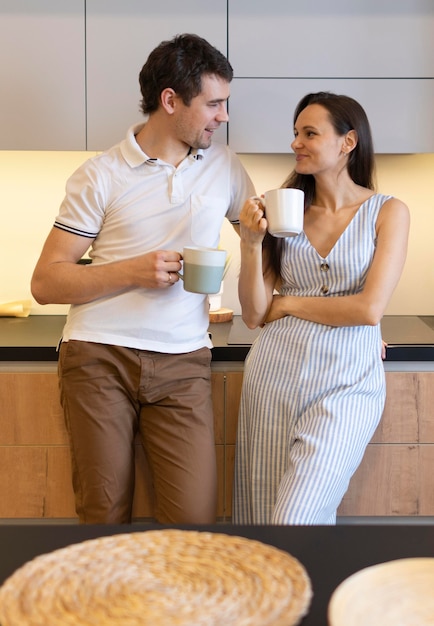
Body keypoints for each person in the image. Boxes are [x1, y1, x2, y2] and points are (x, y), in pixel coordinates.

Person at [31, 33, 255, 525]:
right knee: (104, 513)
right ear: (170, 101)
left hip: (183, 361)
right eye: (214, 103)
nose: (224, 116)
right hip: (98, 357)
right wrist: (132, 271)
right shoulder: (101, 174)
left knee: (194, 523)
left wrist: (347, 321)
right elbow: (46, 282)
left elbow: (263, 246)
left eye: (225, 103)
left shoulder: (225, 166)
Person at [232, 91, 410, 525]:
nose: (296, 142)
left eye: (310, 133)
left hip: (348, 381)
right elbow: (255, 314)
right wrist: (252, 245)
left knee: (295, 519)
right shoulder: (283, 211)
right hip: (273, 376)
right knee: (260, 518)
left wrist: (289, 303)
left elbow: (369, 310)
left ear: (348, 142)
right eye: (295, 133)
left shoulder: (388, 213)